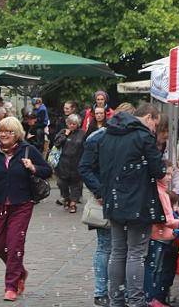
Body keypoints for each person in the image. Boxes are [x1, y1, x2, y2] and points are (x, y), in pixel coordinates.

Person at [81, 103, 166, 307]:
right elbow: (158, 171)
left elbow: (93, 166)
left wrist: (103, 191)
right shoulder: (143, 136)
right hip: (139, 202)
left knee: (118, 251)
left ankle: (116, 300)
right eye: (155, 124)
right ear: (149, 117)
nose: (154, 129)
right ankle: (135, 301)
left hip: (114, 202)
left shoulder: (107, 135)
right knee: (136, 253)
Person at [0, 116, 52, 302]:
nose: (4, 135)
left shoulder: (28, 150)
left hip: (21, 205)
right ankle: (20, 271)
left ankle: (11, 285)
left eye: (9, 131)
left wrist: (33, 167)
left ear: (17, 134)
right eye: (1, 131)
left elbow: (47, 170)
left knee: (14, 245)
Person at [79, 112, 116, 306]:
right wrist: (100, 192)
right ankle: (101, 291)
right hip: (105, 199)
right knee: (105, 245)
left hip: (118, 198)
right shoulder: (97, 138)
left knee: (110, 247)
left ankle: (107, 291)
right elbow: (84, 168)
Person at [144, 163, 179, 307]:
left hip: (162, 236)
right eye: (167, 173)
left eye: (171, 174)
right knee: (154, 269)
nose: (169, 177)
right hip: (159, 237)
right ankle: (151, 299)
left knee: (157, 269)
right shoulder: (160, 193)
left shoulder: (161, 191)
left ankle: (155, 298)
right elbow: (166, 219)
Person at [54, 114, 86, 213]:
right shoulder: (63, 132)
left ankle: (73, 203)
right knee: (61, 183)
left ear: (78, 124)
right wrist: (65, 135)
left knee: (76, 184)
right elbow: (56, 144)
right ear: (67, 124)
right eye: (70, 123)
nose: (72, 125)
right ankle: (66, 198)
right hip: (63, 162)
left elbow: (86, 147)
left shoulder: (82, 133)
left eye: (74, 124)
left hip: (77, 162)